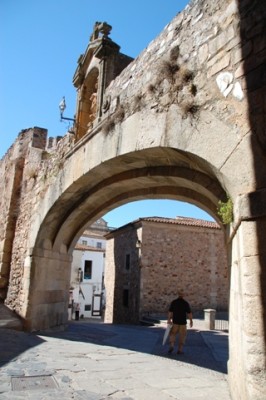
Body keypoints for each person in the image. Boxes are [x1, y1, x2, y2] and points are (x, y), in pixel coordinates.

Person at [167, 289, 193, 354]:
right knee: (182, 336)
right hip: (183, 323)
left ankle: (172, 345)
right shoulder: (185, 303)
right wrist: (191, 321)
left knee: (172, 334)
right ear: (183, 295)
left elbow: (170, 312)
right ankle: (180, 350)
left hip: (175, 322)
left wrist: (169, 319)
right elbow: (189, 313)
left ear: (178, 295)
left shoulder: (174, 302)